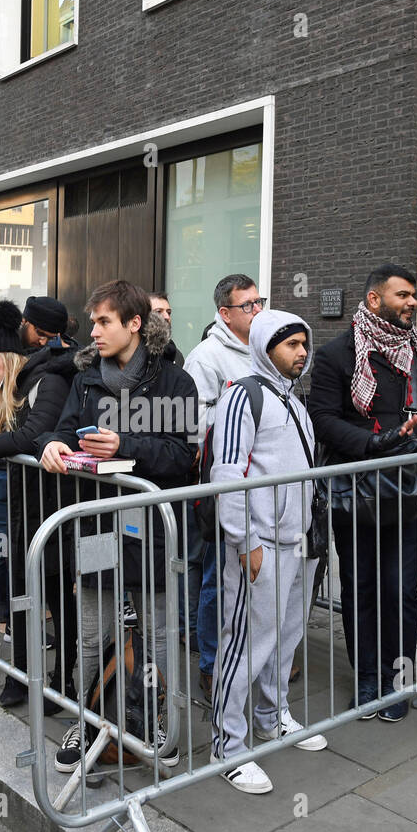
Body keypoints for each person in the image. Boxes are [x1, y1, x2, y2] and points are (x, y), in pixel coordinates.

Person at [39, 280, 197, 770]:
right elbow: (63, 428)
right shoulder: (84, 379)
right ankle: (82, 724)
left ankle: (156, 724)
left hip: (151, 530)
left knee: (156, 634)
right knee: (90, 634)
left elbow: (185, 457)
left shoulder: (177, 382)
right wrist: (51, 443)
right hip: (97, 526)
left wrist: (126, 444)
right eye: (93, 322)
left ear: (134, 324)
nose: (94, 331)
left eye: (104, 321)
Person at [309, 262, 417, 721]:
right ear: (375, 299)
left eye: (414, 295)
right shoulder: (336, 354)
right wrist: (374, 443)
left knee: (401, 589)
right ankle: (366, 679)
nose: (413, 303)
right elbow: (323, 419)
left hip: (410, 491)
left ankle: (397, 679)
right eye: (403, 295)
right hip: (356, 491)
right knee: (360, 586)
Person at [209, 309, 328, 795]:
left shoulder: (292, 399)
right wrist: (245, 541)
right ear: (264, 346)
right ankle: (228, 746)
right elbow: (228, 474)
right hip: (262, 546)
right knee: (246, 644)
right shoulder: (244, 395)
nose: (301, 352)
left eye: (304, 343)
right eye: (291, 344)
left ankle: (271, 716)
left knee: (285, 637)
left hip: (300, 542)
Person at [0, 300, 80, 708]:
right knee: (21, 588)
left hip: (50, 503)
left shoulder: (50, 377)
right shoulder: (11, 383)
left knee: (57, 594)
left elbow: (29, 437)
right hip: (24, 501)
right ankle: (22, 676)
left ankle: (63, 682)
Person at [183, 274, 264, 700]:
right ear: (224, 313)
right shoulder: (206, 358)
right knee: (219, 576)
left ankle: (257, 655)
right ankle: (211, 664)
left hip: (263, 481)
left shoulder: (264, 350)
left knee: (256, 578)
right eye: (248, 305)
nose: (257, 310)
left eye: (259, 301)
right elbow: (195, 426)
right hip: (224, 484)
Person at [149, 292, 183, 367]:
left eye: (169, 312)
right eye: (158, 311)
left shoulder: (177, 356)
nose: (167, 317)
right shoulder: (133, 353)